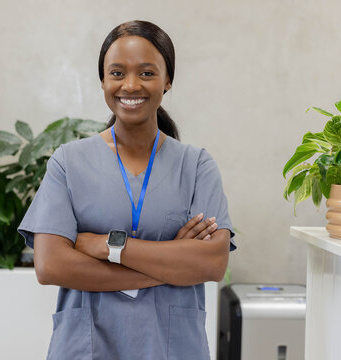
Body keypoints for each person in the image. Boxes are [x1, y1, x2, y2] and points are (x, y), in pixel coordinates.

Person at [18, 20, 236, 360]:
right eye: (117, 73)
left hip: (173, 349)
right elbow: (51, 266)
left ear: (168, 81)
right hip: (86, 347)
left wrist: (107, 246)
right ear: (103, 80)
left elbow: (212, 263)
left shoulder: (196, 166)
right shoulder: (68, 163)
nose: (130, 85)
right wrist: (168, 265)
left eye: (147, 73)